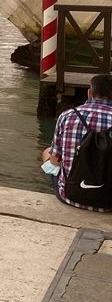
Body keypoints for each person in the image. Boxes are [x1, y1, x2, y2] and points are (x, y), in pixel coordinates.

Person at [43, 73, 112, 210]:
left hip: (70, 196)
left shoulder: (67, 116)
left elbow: (55, 161)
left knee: (47, 153)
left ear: (89, 93)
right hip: (109, 202)